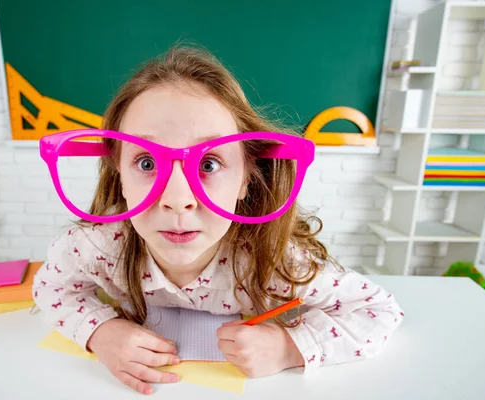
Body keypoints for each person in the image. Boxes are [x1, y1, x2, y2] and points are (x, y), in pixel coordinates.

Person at [33, 43, 404, 396]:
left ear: (246, 176)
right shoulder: (100, 245)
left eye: (209, 164)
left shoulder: (272, 256)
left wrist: (289, 348)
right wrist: (101, 332)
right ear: (119, 173)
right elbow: (51, 287)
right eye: (146, 163)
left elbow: (378, 310)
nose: (177, 201)